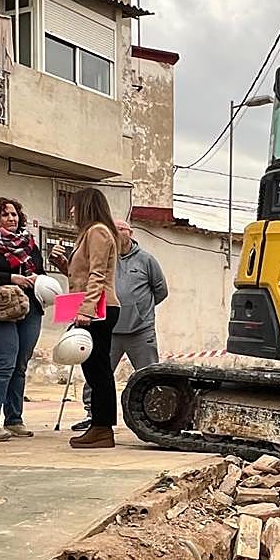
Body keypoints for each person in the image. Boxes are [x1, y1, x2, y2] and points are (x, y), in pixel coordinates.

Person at [73, 218, 167, 431]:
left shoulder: (147, 260)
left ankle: (157, 417)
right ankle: (93, 415)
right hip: (111, 329)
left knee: (150, 375)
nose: (115, 234)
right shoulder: (105, 257)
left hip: (140, 331)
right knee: (98, 374)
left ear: (130, 233)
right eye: (112, 230)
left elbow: (160, 290)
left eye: (119, 230)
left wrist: (142, 311)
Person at [49, 188, 120, 449]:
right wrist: (63, 265)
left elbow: (97, 275)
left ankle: (102, 428)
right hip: (90, 307)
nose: (70, 210)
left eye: (74, 205)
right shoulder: (88, 234)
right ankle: (99, 425)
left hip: (98, 310)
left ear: (86, 206)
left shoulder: (97, 231)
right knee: (93, 368)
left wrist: (86, 310)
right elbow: (83, 274)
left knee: (98, 369)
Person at [0, 197, 45, 441]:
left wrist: (38, 281)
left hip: (30, 307)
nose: (11, 218)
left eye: (14, 214)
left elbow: (40, 272)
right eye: (5, 215)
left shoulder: (29, 244)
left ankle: (14, 419)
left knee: (20, 365)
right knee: (4, 361)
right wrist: (10, 278)